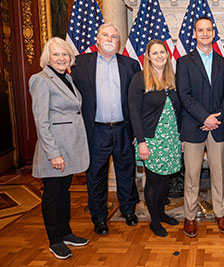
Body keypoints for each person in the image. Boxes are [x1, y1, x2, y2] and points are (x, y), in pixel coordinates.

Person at [71, 23, 141, 235]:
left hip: (123, 130)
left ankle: (128, 210)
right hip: (96, 131)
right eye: (105, 35)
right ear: (97, 40)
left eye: (114, 36)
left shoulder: (131, 65)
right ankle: (99, 218)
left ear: (118, 42)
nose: (110, 39)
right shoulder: (80, 64)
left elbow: (137, 100)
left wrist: (138, 132)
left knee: (126, 173)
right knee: (96, 176)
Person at [29, 37, 90, 259]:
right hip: (54, 150)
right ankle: (55, 240)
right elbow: (41, 121)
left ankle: (66, 232)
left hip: (69, 147)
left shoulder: (66, 79)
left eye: (64, 54)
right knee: (52, 196)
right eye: (56, 54)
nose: (61, 58)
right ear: (48, 57)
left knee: (64, 193)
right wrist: (53, 154)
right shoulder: (41, 80)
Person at [176, 17, 224, 237]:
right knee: (192, 175)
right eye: (201, 30)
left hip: (217, 127)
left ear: (213, 32)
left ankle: (220, 213)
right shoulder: (184, 62)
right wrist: (204, 118)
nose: (205, 33)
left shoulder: (223, 62)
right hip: (193, 127)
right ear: (194, 34)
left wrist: (217, 118)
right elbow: (184, 96)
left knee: (219, 174)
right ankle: (189, 217)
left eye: (209, 30)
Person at [128, 40, 181, 237]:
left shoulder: (172, 79)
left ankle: (161, 213)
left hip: (171, 138)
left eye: (162, 52)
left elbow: (179, 110)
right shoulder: (140, 79)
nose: (159, 56)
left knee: (165, 179)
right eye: (155, 53)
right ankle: (155, 221)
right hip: (150, 139)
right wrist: (141, 141)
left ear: (167, 55)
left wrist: (180, 137)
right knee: (153, 180)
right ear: (148, 56)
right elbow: (134, 112)